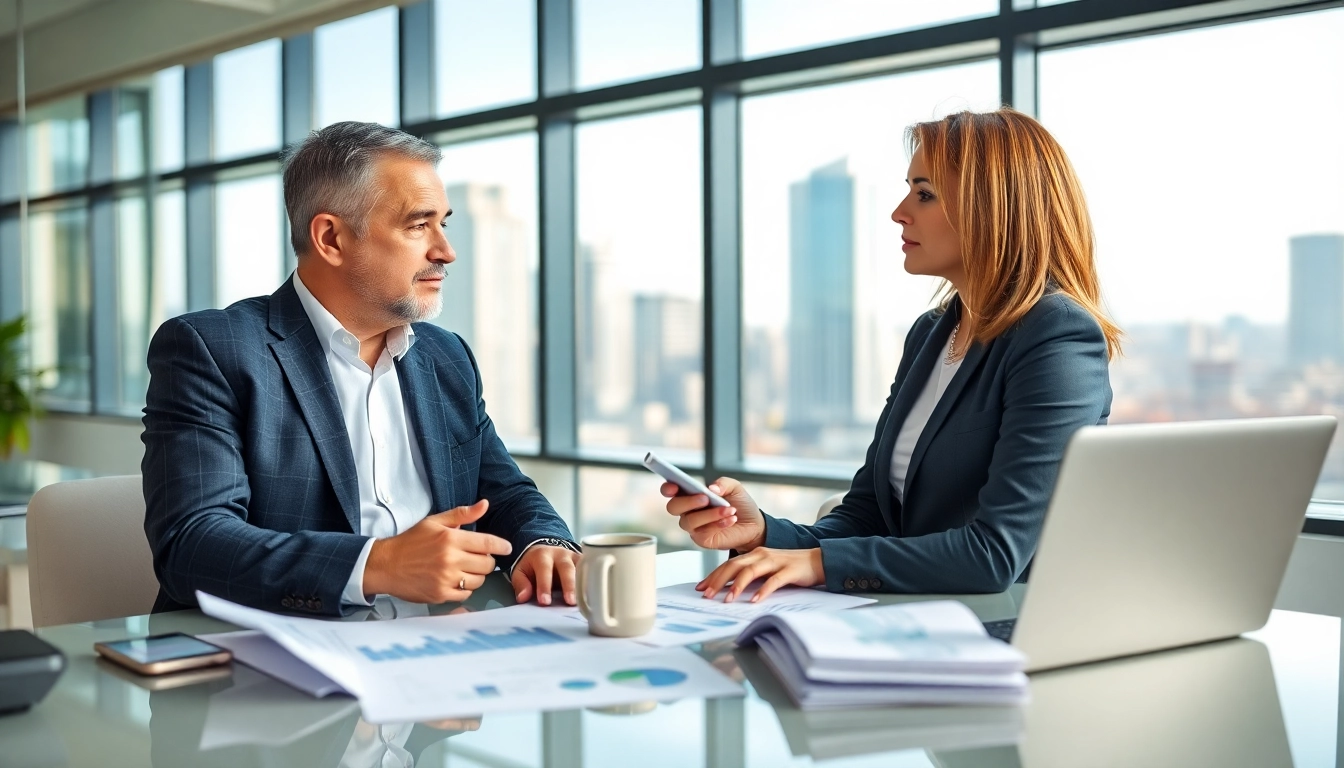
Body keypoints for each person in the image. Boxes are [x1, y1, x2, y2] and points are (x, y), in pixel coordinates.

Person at [664, 108, 1121, 602]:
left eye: (924, 194)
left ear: (991, 208)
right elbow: (870, 517)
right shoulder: (930, 335)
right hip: (911, 620)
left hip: (1006, 630)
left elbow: (994, 555)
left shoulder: (1056, 334)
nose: (900, 211)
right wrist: (762, 534)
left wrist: (815, 564)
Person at [142, 122, 579, 616]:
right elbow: (193, 543)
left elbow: (504, 492)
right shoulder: (212, 350)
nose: (445, 251)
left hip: (441, 648)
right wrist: (379, 565)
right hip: (271, 661)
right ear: (331, 237)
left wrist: (543, 543)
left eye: (444, 224)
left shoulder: (446, 356)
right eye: (418, 225)